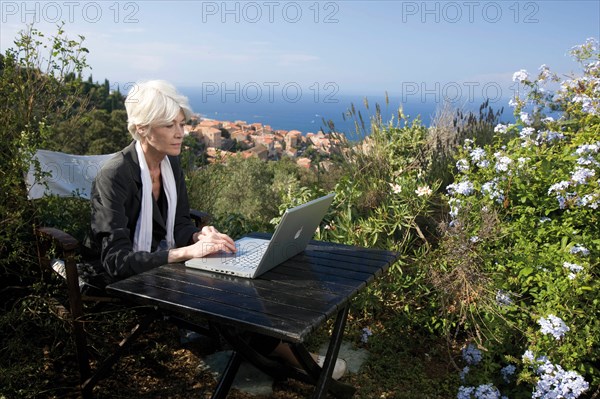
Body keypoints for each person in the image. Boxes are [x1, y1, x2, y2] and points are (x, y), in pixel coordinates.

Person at [90, 80, 347, 379]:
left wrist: (201, 235)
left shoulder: (170, 164)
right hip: (127, 278)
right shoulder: (114, 176)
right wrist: (188, 250)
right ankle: (293, 357)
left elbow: (181, 223)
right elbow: (115, 262)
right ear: (144, 128)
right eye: (169, 125)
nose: (180, 133)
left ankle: (278, 349)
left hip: (164, 262)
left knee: (237, 272)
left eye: (182, 124)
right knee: (229, 290)